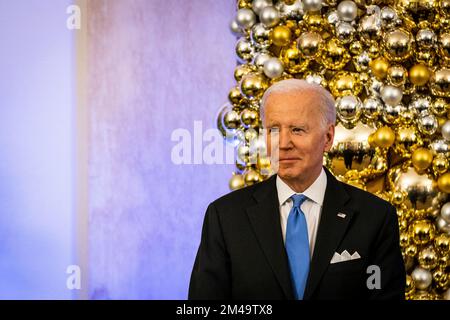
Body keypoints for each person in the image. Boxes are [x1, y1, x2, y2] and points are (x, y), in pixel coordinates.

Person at [188, 79, 405, 300]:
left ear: (328, 137)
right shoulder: (225, 217)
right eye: (273, 130)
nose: (283, 143)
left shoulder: (375, 218)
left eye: (297, 130)